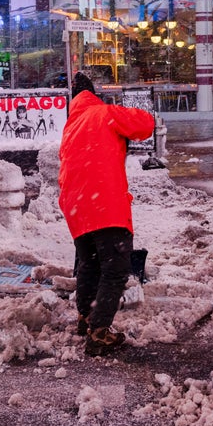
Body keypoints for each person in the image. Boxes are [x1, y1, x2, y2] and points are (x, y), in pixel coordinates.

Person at [58, 71, 155, 355]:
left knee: (89, 264)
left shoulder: (70, 126)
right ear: (93, 95)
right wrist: (126, 110)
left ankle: (86, 317)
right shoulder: (103, 113)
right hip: (105, 204)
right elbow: (145, 125)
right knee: (115, 270)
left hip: (76, 207)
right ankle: (99, 331)